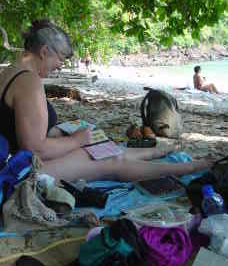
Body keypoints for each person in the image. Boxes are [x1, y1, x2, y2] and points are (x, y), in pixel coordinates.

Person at [0, 20, 214, 182]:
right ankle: (189, 168)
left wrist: (64, 134)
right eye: (61, 59)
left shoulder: (12, 70)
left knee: (105, 148)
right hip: (22, 172)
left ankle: (157, 152)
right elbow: (35, 149)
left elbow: (15, 128)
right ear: (45, 51)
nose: (60, 65)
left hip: (16, 160)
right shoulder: (29, 82)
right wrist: (77, 140)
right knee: (110, 160)